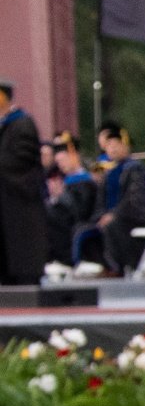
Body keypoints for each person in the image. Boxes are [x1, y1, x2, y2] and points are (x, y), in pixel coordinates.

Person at [91, 124, 145, 276]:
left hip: (132, 218)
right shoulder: (109, 172)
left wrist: (115, 214)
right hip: (116, 216)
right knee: (85, 229)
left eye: (117, 144)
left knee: (112, 225)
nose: (113, 149)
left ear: (126, 146)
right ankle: (105, 266)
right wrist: (102, 214)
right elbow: (101, 200)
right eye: (109, 145)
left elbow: (136, 199)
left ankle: (118, 267)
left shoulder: (135, 169)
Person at [0, 81, 43, 285]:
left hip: (20, 200)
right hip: (6, 199)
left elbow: (22, 159)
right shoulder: (6, 124)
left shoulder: (23, 124)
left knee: (22, 253)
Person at [45, 138, 97, 268]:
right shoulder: (67, 181)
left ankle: (65, 261)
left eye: (63, 160)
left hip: (80, 220)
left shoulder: (86, 180)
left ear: (73, 156)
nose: (61, 165)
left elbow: (81, 210)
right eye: (58, 162)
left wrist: (60, 196)